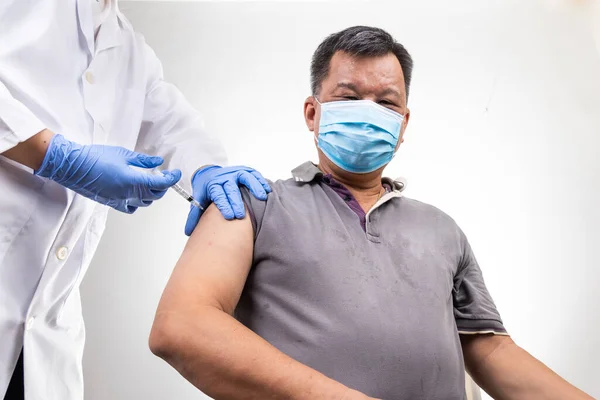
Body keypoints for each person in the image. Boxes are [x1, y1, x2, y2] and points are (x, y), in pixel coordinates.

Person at [148, 26, 593, 400]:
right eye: (348, 97)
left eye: (385, 103)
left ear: (403, 125)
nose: (368, 115)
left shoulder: (441, 230)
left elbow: (489, 351)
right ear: (312, 112)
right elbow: (182, 326)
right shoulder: (250, 202)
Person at [0, 1, 270, 399]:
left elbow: (170, 124)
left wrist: (207, 170)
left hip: (43, 338)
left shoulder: (125, 45)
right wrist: (55, 156)